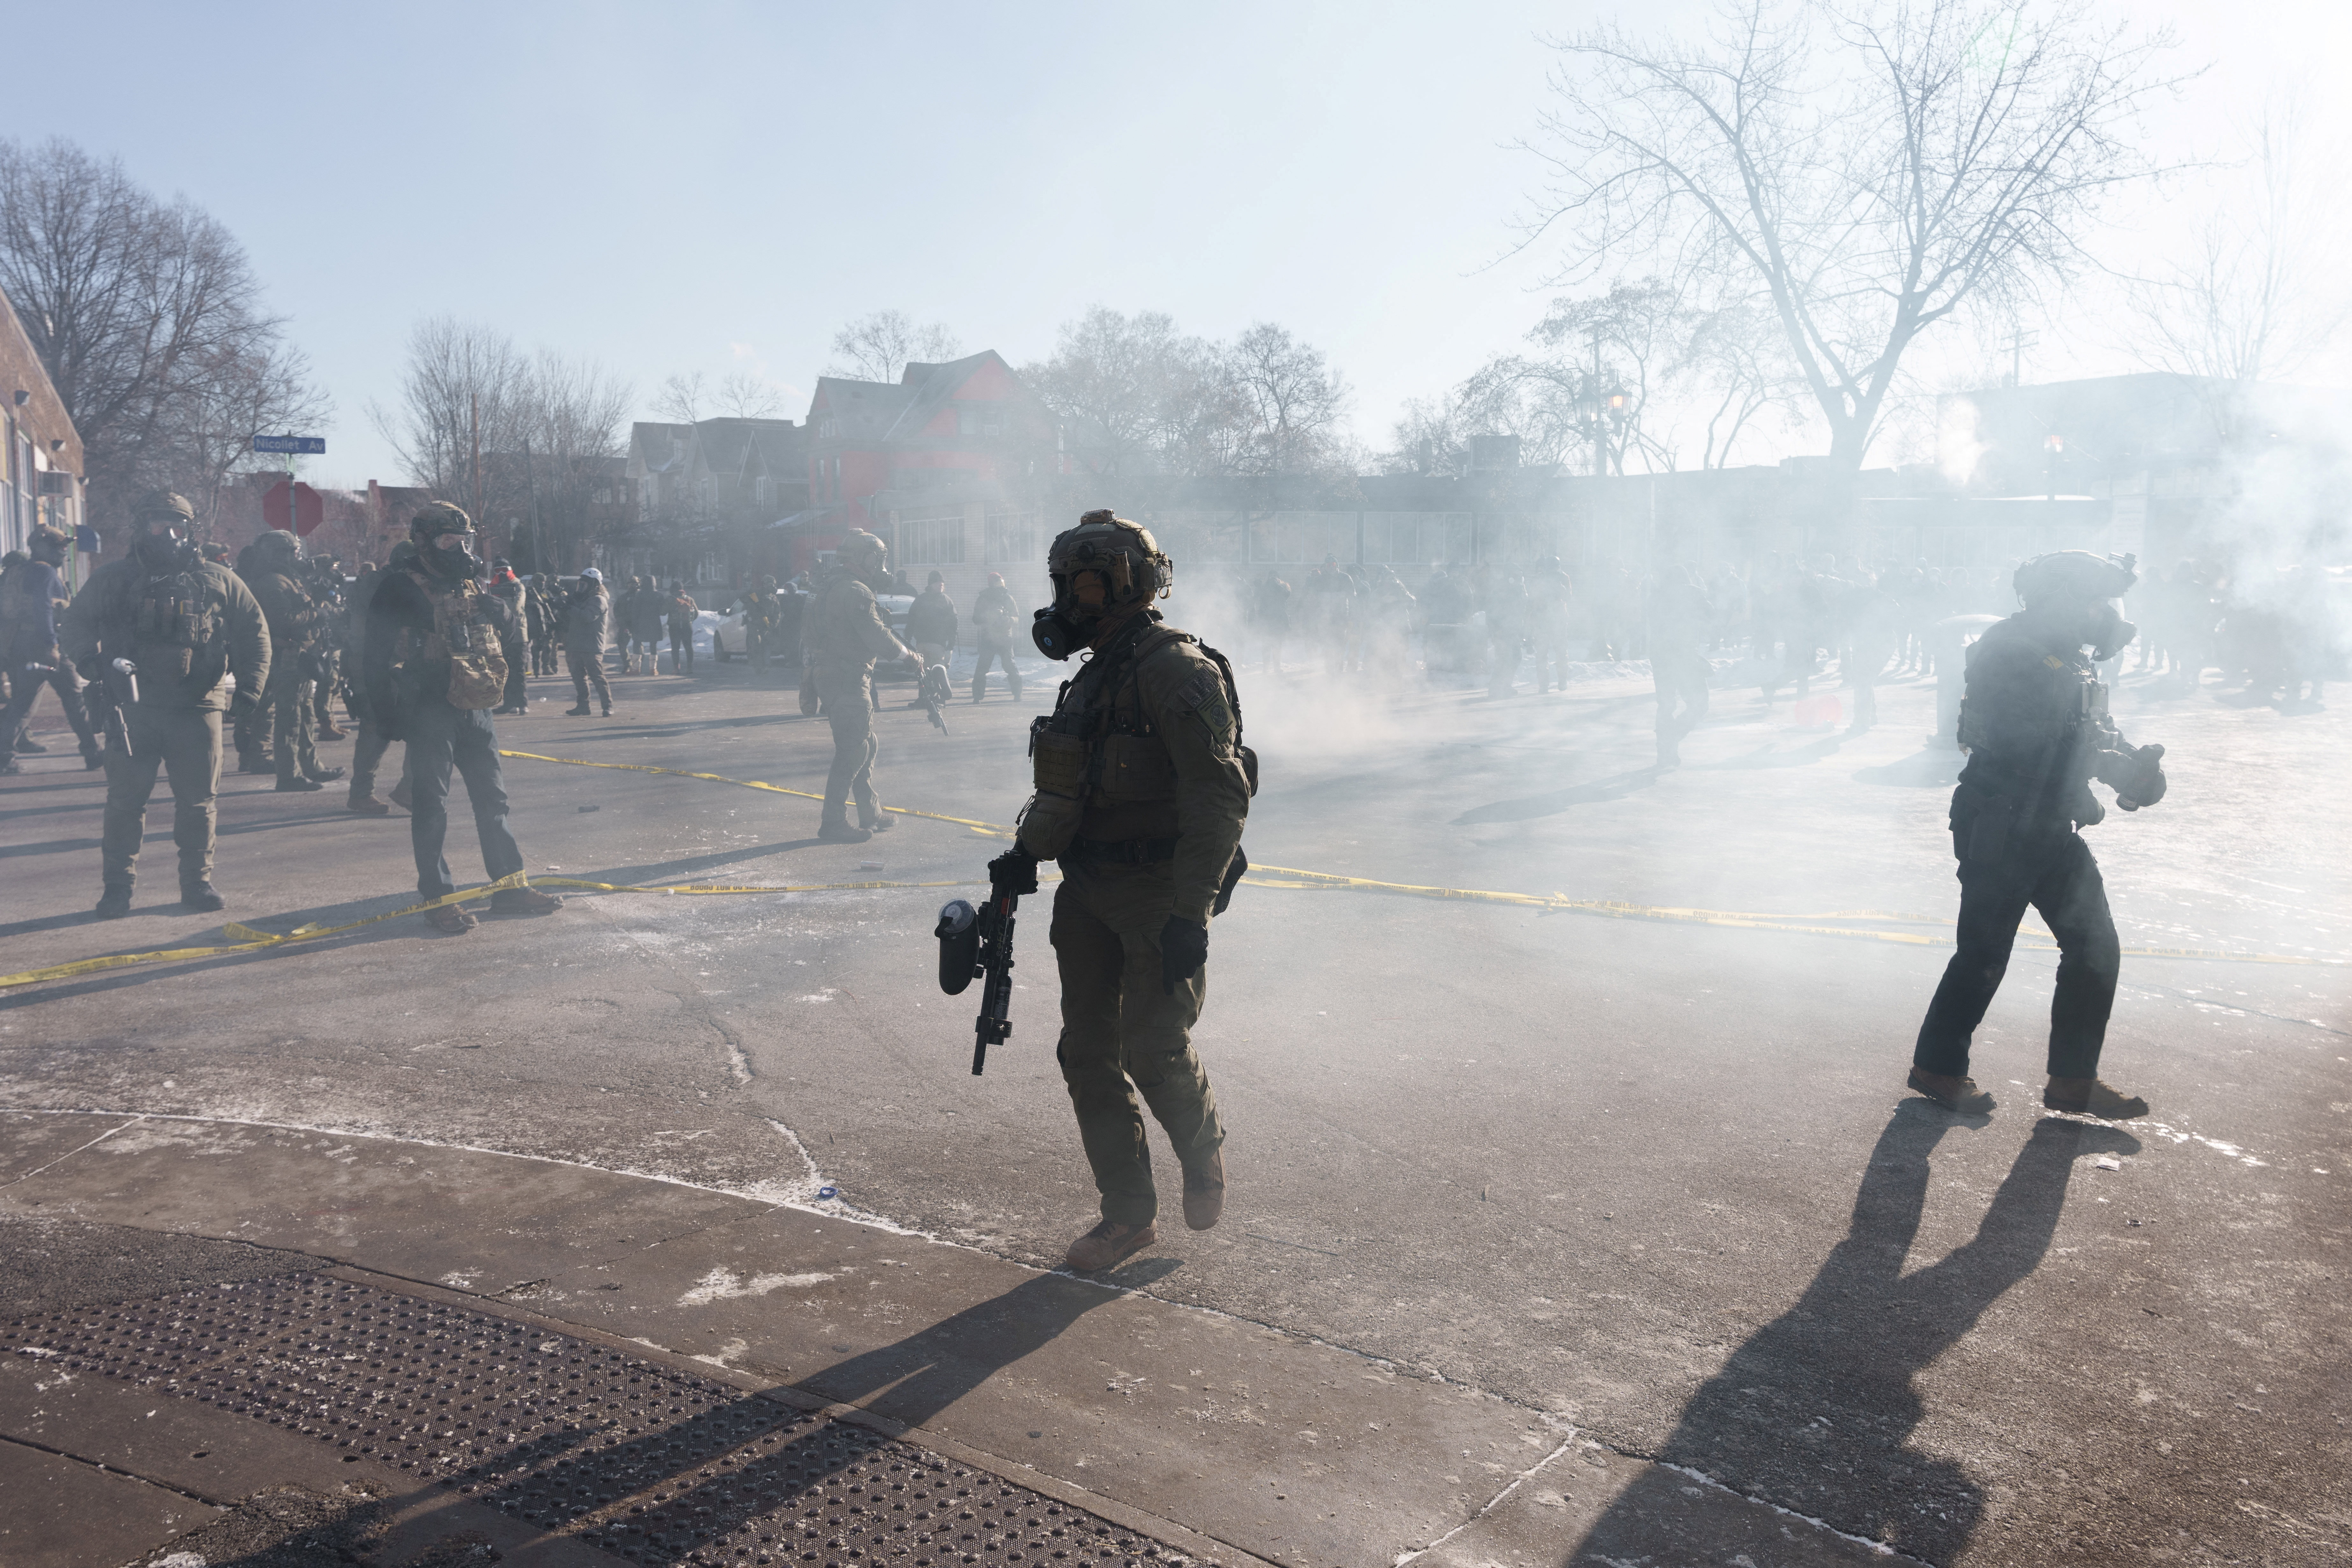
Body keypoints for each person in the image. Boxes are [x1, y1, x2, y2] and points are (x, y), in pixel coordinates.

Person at [987, 510, 1252, 1273]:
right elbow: (1065, 788)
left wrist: (1191, 913)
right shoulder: (1094, 674)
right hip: (1089, 889)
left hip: (1158, 889)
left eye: (1086, 582)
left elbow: (1218, 799)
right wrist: (1023, 855)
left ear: (1128, 583)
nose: (1070, 598)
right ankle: (1127, 1216)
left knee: (1153, 1045)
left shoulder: (1178, 671)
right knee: (1087, 1051)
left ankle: (1201, 1152)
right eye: (1064, 583)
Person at [1910, 550, 2167, 1121]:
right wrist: (2098, 758)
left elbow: (2092, 729)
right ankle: (1938, 1067)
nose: (2104, 613)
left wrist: (2136, 769)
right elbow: (2022, 738)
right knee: (1984, 953)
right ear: (2061, 598)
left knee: (2095, 946)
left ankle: (2073, 1081)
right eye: (2095, 599)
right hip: (2001, 822)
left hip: (2050, 824)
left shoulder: (2072, 661)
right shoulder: (2009, 651)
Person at [59, 490, 270, 917]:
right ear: (142, 526)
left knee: (198, 804)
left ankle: (198, 884)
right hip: (132, 708)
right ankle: (117, 888)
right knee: (125, 803)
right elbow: (74, 621)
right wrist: (92, 663)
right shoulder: (113, 579)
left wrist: (250, 690)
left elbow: (254, 632)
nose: (170, 534)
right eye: (160, 524)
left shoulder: (218, 579)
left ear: (191, 530)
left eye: (179, 526)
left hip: (197, 708)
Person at [360, 503, 564, 933]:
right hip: (428, 708)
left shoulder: (470, 582)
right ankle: (439, 898)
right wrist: (385, 714)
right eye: (448, 540)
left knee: (494, 801)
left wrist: (503, 614)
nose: (458, 548)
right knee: (431, 806)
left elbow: (505, 638)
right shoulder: (399, 587)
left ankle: (511, 889)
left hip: (476, 707)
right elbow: (372, 656)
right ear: (425, 542)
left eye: (464, 540)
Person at [807, 531, 923, 843]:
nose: (881, 565)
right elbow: (874, 634)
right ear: (862, 559)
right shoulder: (855, 591)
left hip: (835, 675)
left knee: (866, 743)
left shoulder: (833, 586)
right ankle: (833, 822)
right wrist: (908, 657)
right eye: (877, 558)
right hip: (846, 677)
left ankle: (870, 812)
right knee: (853, 749)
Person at [243, 529, 345, 793]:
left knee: (306, 713)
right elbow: (282, 620)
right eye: (294, 552)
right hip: (287, 657)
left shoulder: (290, 580)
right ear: (280, 554)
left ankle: (311, 766)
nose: (298, 557)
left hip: (301, 657)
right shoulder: (273, 582)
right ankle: (289, 775)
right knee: (289, 717)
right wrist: (316, 614)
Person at [0, 524, 104, 772]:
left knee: (23, 701)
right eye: (59, 548)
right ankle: (93, 752)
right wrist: (52, 645)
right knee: (74, 698)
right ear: (42, 548)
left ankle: (4, 755)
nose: (63, 554)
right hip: (45, 644)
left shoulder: (22, 571)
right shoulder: (44, 573)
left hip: (22, 643)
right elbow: (43, 608)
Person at [346, 545, 414, 815]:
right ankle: (363, 793)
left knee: (408, 728)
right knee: (377, 730)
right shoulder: (385, 587)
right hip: (379, 666)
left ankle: (406, 789)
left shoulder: (378, 583)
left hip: (382, 665)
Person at [1645, 564, 1713, 767]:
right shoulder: (1693, 592)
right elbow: (1711, 614)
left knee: (1666, 705)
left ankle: (1666, 750)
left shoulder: (1656, 596)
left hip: (1660, 656)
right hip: (1684, 656)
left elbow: (1649, 618)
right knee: (1700, 703)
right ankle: (1672, 739)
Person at [563, 568, 613, 716]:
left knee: (597, 677)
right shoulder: (581, 599)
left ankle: (607, 706)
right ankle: (583, 706)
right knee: (578, 677)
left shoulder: (599, 600)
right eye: (581, 585)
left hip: (592, 645)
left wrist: (570, 608)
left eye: (585, 585)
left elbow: (588, 617)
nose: (581, 588)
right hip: (576, 644)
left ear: (594, 585)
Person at [970, 569, 1023, 701]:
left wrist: (1009, 620)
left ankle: (1018, 695)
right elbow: (976, 619)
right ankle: (977, 698)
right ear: (991, 584)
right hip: (989, 639)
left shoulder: (1008, 598)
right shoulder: (983, 598)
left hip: (1005, 638)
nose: (1000, 585)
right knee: (982, 669)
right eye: (997, 582)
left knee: (1010, 667)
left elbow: (1016, 617)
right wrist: (990, 616)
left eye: (1001, 582)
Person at [488, 558, 531, 714]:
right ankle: (509, 704)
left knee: (519, 671)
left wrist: (498, 601)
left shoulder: (518, 586)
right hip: (502, 635)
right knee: (504, 671)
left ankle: (522, 704)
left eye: (504, 570)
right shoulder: (494, 587)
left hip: (519, 635)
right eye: (497, 571)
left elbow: (515, 607)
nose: (501, 574)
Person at [906, 570, 957, 673]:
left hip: (938, 644)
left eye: (942, 582)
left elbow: (954, 622)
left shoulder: (946, 601)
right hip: (921, 644)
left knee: (939, 673)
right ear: (931, 585)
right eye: (937, 582)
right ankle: (927, 689)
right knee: (924, 674)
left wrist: (952, 641)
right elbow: (912, 619)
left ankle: (939, 689)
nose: (941, 585)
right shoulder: (921, 600)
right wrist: (908, 637)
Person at [629, 575, 665, 675]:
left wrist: (633, 623)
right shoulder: (659, 595)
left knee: (637, 644)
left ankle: (636, 669)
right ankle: (653, 669)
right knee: (653, 646)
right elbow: (663, 612)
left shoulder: (639, 595)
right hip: (654, 623)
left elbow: (635, 611)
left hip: (641, 623)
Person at [665, 580, 699, 674]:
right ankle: (690, 668)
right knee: (689, 647)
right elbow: (696, 614)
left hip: (674, 627)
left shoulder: (670, 599)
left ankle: (677, 669)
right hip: (687, 626)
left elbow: (663, 612)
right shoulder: (690, 599)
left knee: (675, 648)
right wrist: (689, 620)